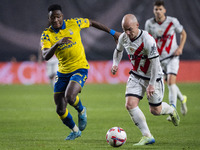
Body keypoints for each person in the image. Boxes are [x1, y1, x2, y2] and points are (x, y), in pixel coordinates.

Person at [40, 4, 120, 140]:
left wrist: (113, 33)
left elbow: (92, 23)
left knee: (70, 97)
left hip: (79, 67)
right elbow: (45, 55)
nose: (55, 20)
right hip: (62, 72)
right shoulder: (47, 35)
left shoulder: (74, 23)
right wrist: (57, 43)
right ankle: (75, 130)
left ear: (62, 16)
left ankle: (82, 110)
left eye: (58, 17)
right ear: (49, 18)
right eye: (52, 17)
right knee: (60, 109)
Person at [111, 14, 180, 146]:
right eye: (124, 29)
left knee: (155, 111)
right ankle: (147, 136)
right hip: (136, 75)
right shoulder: (123, 38)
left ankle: (171, 110)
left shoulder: (147, 40)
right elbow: (118, 51)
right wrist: (115, 64)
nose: (127, 32)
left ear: (137, 25)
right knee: (130, 104)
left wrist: (152, 84)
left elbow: (155, 63)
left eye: (130, 29)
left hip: (154, 76)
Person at [145, 0, 187, 121]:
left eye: (160, 9)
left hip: (172, 57)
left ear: (164, 10)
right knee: (168, 83)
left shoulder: (172, 21)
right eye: (156, 9)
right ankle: (182, 98)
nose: (158, 11)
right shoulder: (149, 23)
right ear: (153, 11)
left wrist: (180, 48)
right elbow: (147, 39)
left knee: (170, 82)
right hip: (158, 59)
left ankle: (172, 108)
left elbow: (183, 33)